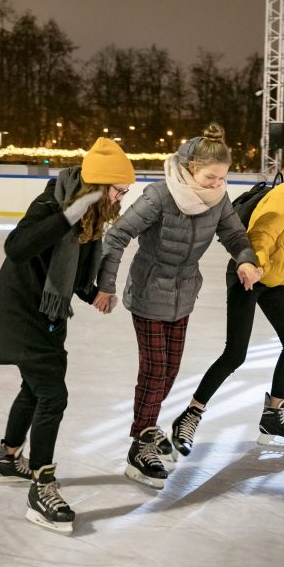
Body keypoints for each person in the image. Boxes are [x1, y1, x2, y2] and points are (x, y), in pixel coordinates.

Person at [0, 137, 134, 534]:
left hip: (46, 315)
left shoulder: (91, 220)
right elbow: (16, 249)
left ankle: (8, 460)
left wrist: (96, 291)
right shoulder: (51, 205)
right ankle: (41, 486)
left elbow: (75, 277)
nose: (121, 198)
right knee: (53, 394)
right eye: (119, 190)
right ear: (98, 187)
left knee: (35, 390)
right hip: (19, 312)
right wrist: (67, 215)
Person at [94, 123, 261, 490]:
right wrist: (105, 285)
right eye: (210, 177)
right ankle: (141, 445)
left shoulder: (218, 200)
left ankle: (148, 430)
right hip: (149, 291)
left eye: (223, 178)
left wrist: (245, 259)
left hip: (184, 293)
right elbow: (117, 234)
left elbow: (234, 234)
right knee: (155, 370)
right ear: (188, 168)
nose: (218, 185)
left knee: (169, 371)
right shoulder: (159, 196)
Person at [170, 145, 284, 454]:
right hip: (251, 273)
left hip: (271, 280)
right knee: (235, 354)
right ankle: (189, 415)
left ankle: (273, 415)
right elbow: (262, 231)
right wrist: (255, 265)